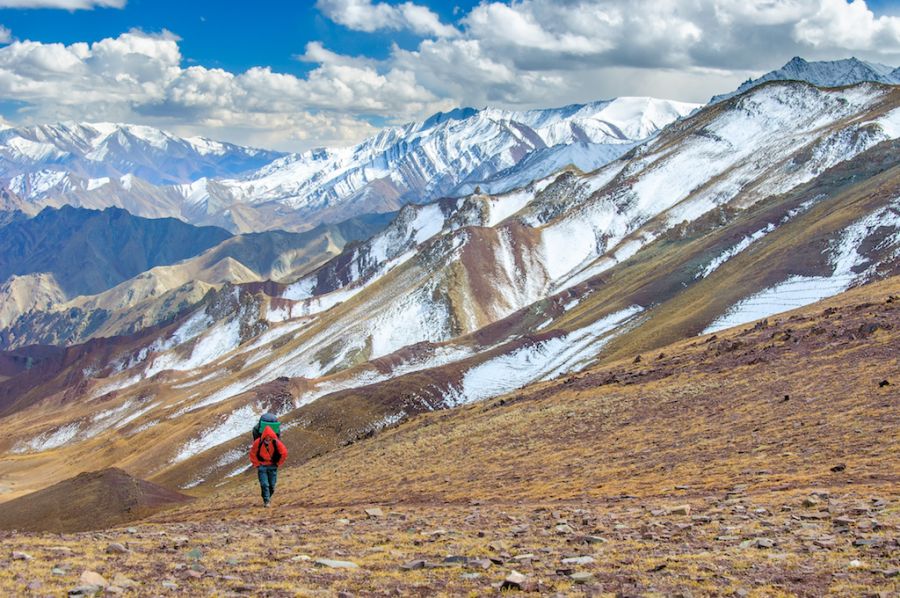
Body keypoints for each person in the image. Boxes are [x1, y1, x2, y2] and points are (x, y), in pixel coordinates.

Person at [248, 414, 288, 507]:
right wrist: (258, 465)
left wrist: (277, 463)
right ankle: (266, 501)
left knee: (272, 485)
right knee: (264, 484)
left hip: (272, 465)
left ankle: (267, 497)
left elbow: (283, 452)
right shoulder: (259, 440)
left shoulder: (258, 432)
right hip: (262, 466)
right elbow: (253, 452)